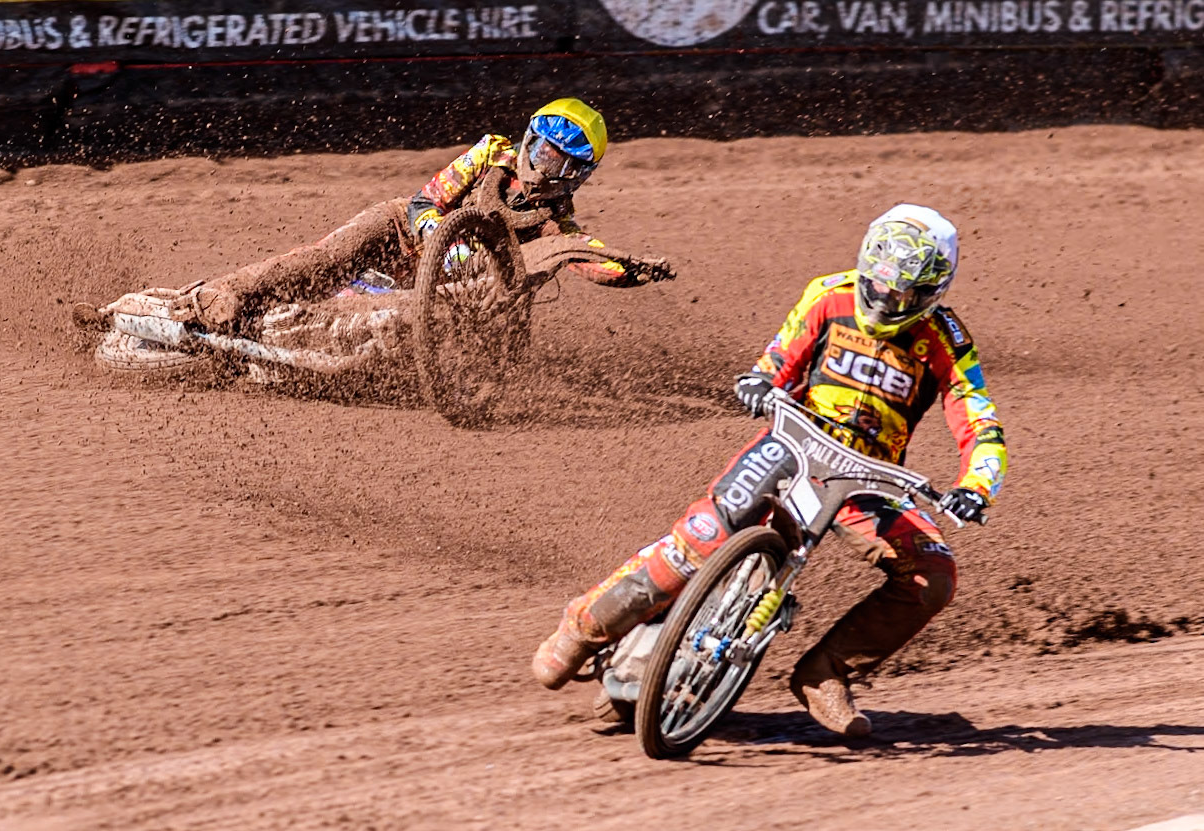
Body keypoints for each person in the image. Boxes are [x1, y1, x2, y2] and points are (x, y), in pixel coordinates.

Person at [531, 203, 1007, 737]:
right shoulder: (830, 295)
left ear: (932, 291)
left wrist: (976, 486)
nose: (886, 299)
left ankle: (824, 674)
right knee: (696, 542)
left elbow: (981, 423)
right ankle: (586, 625)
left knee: (933, 577)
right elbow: (779, 357)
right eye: (879, 285)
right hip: (791, 446)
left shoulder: (947, 340)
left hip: (867, 480)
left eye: (903, 295)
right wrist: (759, 381)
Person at [169, 97, 668, 351]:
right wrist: (436, 237)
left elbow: (590, 257)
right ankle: (213, 298)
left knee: (394, 320)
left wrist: (633, 269)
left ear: (577, 175)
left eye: (559, 163)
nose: (544, 166)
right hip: (402, 234)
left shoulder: (557, 225)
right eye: (541, 151)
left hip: (437, 294)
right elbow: (426, 199)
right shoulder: (492, 152)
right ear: (528, 139)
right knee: (328, 257)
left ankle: (281, 336)